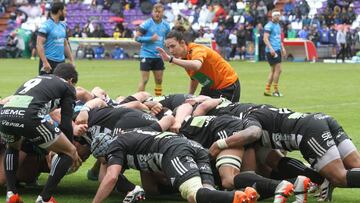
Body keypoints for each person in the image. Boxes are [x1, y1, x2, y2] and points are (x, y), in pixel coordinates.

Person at [209, 105, 360, 201]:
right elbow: (275, 159)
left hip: (308, 131)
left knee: (339, 177)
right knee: (355, 166)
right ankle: (322, 180)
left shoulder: (247, 118)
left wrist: (219, 144)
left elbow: (253, 133)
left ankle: (325, 179)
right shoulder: (259, 109)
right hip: (320, 119)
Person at [91, 127, 255, 203]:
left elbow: (111, 177)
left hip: (173, 150)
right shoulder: (129, 136)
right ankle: (245, 193)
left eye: (102, 161)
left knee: (192, 193)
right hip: (191, 146)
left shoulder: (114, 147)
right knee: (205, 194)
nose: (104, 164)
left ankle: (235, 197)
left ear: (103, 153)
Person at [0, 63, 82, 203]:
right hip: (29, 117)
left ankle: (11, 194)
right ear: (70, 80)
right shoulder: (67, 87)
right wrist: (68, 147)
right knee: (69, 152)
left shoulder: (39, 79)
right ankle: (45, 198)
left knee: (13, 147)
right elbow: (66, 123)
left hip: (5, 114)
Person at [157, 26, 241, 102]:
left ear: (182, 43)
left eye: (173, 46)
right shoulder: (184, 57)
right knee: (194, 107)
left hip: (227, 85)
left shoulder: (196, 50)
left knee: (221, 116)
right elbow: (195, 77)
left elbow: (196, 66)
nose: (171, 51)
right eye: (168, 48)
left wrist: (171, 59)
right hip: (210, 87)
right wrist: (189, 96)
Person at [135, 3, 170, 96]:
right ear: (152, 12)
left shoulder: (166, 26)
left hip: (158, 56)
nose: (157, 14)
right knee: (145, 80)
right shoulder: (146, 24)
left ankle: (158, 99)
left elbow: (168, 39)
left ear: (163, 13)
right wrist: (150, 38)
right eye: (155, 12)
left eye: (159, 12)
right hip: (146, 55)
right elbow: (136, 38)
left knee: (159, 80)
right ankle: (138, 100)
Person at [37, 2, 74, 75]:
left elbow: (65, 44)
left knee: (60, 85)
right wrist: (45, 62)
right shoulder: (46, 26)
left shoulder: (63, 25)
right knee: (46, 85)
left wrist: (71, 61)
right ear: (60, 11)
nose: (66, 13)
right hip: (48, 61)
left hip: (61, 63)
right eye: (65, 11)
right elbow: (39, 44)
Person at [263, 9, 286, 97]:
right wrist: (271, 49)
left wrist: (282, 48)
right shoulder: (269, 26)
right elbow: (265, 38)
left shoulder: (278, 25)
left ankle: (267, 90)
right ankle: (275, 91)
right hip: (272, 50)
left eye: (279, 15)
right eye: (276, 15)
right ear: (272, 16)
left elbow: (278, 38)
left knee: (273, 71)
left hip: (277, 49)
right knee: (278, 70)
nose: (278, 17)